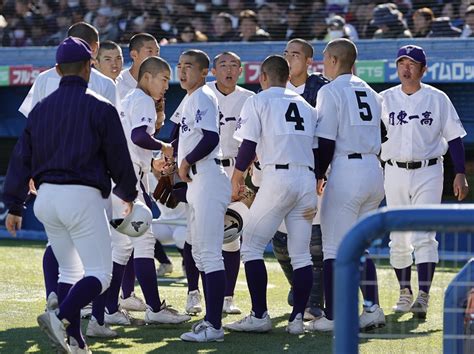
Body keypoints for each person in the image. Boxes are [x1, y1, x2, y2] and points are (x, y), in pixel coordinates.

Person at [3, 36, 138, 353]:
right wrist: (128, 191)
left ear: (58, 70)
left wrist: (14, 204)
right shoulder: (100, 106)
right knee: (100, 275)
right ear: (90, 67)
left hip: (46, 199)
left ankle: (76, 340)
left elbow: (20, 158)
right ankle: (61, 316)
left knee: (70, 272)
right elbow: (119, 157)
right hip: (81, 195)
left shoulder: (40, 109)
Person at [16, 21, 118, 334]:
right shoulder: (103, 84)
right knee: (103, 261)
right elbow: (113, 141)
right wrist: (126, 187)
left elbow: (28, 134)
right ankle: (90, 319)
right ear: (95, 51)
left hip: (49, 179)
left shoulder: (45, 78)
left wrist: (26, 180)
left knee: (63, 250)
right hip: (90, 182)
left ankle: (60, 307)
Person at [224, 55, 318, 335]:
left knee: (251, 246)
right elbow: (316, 148)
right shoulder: (305, 105)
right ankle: (298, 320)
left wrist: (237, 175)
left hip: (278, 177)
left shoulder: (258, 99)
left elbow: (249, 144)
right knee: (301, 255)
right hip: (307, 178)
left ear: (263, 77)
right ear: (288, 77)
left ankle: (259, 315)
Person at [380, 45, 469, 319]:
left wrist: (460, 172)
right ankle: (405, 292)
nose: (406, 69)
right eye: (402, 63)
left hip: (429, 170)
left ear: (423, 69)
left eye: (412, 64)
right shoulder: (383, 99)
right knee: (398, 236)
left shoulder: (437, 98)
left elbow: (454, 137)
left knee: (424, 234)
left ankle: (424, 295)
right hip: (393, 170)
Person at [103, 56, 191, 327]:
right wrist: (164, 147)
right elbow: (138, 136)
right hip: (127, 179)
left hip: (118, 175)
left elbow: (134, 139)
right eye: (164, 79)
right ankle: (153, 308)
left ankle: (110, 309)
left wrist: (152, 159)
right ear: (148, 77)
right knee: (142, 241)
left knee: (123, 246)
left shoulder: (130, 97)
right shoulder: (142, 100)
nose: (167, 85)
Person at [307, 38, 386, 332]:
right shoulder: (371, 91)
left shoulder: (330, 90)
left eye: (325, 58)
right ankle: (372, 308)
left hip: (347, 169)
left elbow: (326, 141)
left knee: (332, 248)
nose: (323, 63)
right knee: (359, 247)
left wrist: (318, 173)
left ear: (335, 60)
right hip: (374, 170)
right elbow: (384, 133)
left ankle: (334, 315)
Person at [180, 51, 254, 316]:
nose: (229, 69)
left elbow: (254, 141)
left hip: (234, 167)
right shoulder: (200, 93)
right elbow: (181, 131)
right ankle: (193, 293)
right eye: (223, 64)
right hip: (202, 170)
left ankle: (226, 299)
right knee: (194, 238)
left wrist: (244, 178)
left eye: (234, 64)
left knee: (231, 237)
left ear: (241, 70)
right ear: (212, 70)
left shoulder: (249, 98)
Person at [171, 49, 232, 342]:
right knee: (199, 253)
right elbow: (179, 136)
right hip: (198, 180)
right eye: (180, 66)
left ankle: (215, 326)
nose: (182, 71)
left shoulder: (204, 95)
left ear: (204, 71)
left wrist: (184, 161)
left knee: (209, 254)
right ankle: (210, 320)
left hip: (207, 174)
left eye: (189, 67)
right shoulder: (189, 98)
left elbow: (211, 137)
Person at [269, 38, 329, 322]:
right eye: (286, 54)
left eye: (296, 55)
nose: (290, 59)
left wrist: (322, 171)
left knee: (314, 238)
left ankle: (314, 301)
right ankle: (299, 286)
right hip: (278, 171)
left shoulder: (322, 88)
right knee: (280, 237)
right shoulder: (274, 87)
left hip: (315, 171)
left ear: (308, 62)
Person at [19, 21, 117, 117]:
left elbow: (33, 120)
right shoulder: (105, 84)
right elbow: (114, 125)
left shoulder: (43, 78)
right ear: (96, 47)